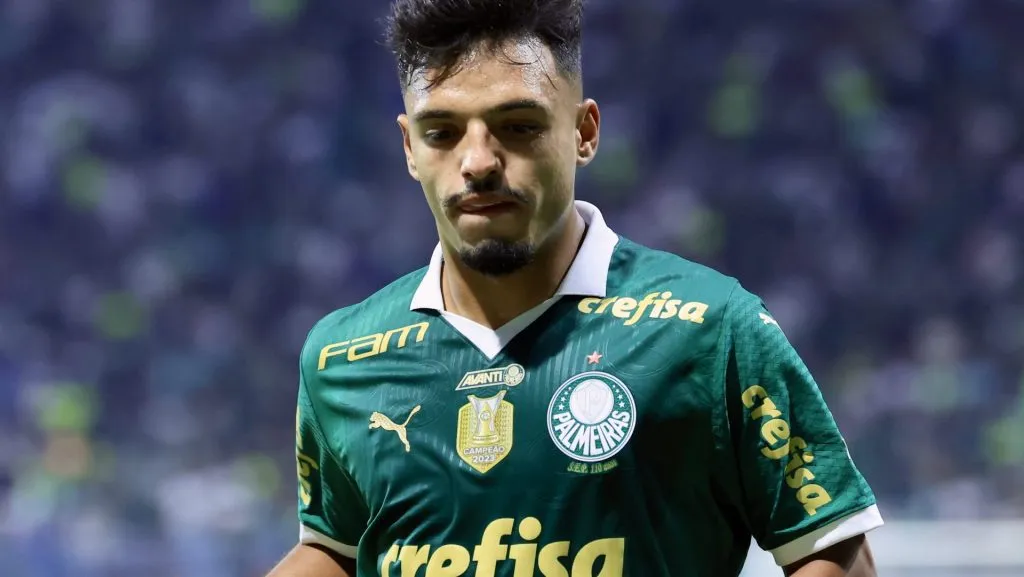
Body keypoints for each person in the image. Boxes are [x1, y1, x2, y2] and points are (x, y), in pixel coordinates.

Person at [267, 0, 883, 575]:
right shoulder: (341, 356)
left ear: (584, 132)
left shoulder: (711, 328)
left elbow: (825, 546)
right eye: (442, 132)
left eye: (517, 126)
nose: (478, 160)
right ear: (409, 146)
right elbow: (334, 549)